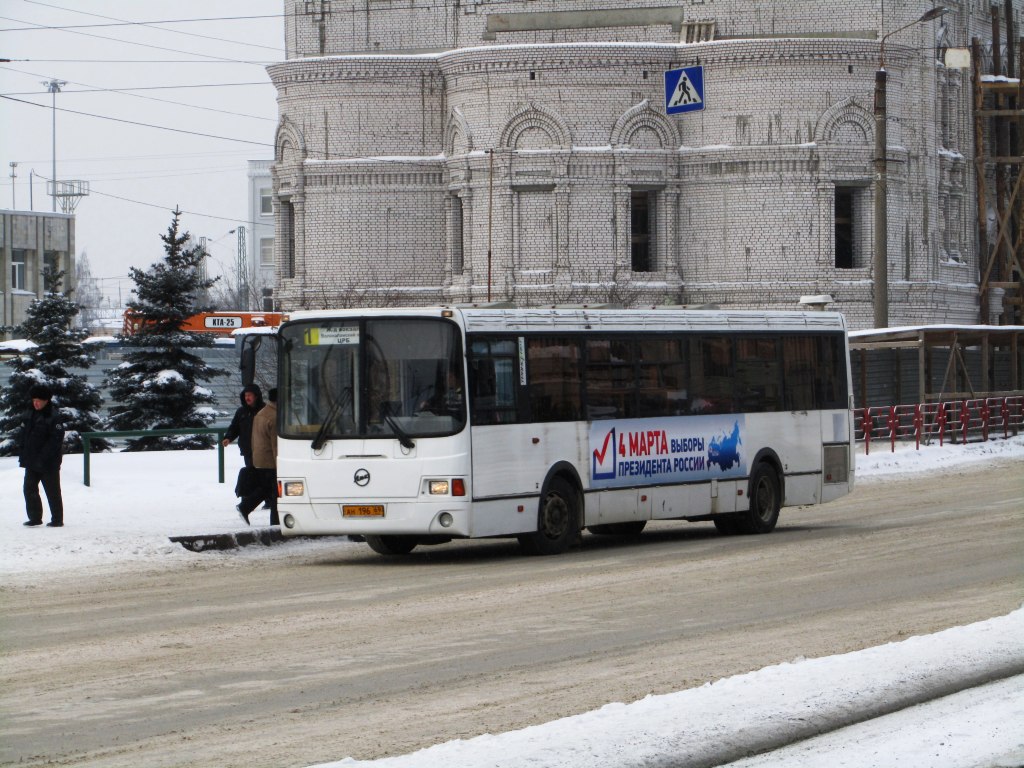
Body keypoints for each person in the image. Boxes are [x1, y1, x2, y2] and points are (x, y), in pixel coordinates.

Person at [18, 384, 65, 528]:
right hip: (31, 461)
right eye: (34, 400)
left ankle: (57, 519)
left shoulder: (53, 416)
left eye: (39, 400)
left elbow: (55, 440)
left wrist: (43, 458)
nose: (36, 403)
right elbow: (23, 436)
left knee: (52, 491)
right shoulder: (28, 414)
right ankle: (35, 517)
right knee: (29, 488)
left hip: (48, 462)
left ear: (46, 401)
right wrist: (24, 454)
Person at [238, 387, 278, 526]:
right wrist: (280, 462)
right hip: (270, 460)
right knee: (276, 492)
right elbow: (275, 444)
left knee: (267, 488)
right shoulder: (274, 416)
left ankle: (245, 507)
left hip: (259, 457)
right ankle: (276, 523)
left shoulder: (262, 413)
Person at [222, 384, 265, 497]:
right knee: (250, 473)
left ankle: (267, 499)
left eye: (249, 395)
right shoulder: (241, 412)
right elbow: (234, 427)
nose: (247, 398)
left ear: (256, 396)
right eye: (245, 395)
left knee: (263, 474)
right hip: (248, 449)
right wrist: (228, 437)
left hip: (263, 449)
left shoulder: (264, 411)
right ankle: (249, 497)